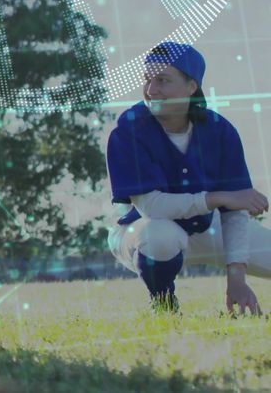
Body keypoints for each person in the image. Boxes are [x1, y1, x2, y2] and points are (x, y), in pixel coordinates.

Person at [106, 42, 270, 314]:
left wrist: (237, 280)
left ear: (191, 86)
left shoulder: (220, 130)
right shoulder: (128, 130)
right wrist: (219, 197)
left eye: (163, 80)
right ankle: (164, 305)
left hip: (208, 227)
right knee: (160, 235)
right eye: (147, 80)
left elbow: (234, 213)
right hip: (142, 232)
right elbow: (152, 207)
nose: (151, 89)